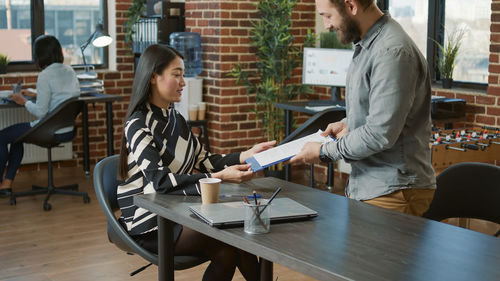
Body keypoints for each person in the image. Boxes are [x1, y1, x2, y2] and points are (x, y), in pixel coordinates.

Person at [118, 44, 275, 281]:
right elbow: (160, 182)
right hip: (149, 221)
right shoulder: (138, 124)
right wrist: (219, 178)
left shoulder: (176, 119)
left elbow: (205, 160)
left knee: (227, 252)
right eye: (177, 75)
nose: (183, 82)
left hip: (175, 211)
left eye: (184, 75)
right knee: (233, 233)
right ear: (153, 77)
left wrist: (246, 155)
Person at [291, 0, 436, 216]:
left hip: (394, 191)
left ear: (351, 6)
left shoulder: (391, 52)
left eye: (328, 16)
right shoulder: (368, 45)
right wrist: (348, 123)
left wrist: (323, 152)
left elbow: (380, 134)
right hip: (374, 186)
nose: (327, 25)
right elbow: (378, 110)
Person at [0, 35, 80, 196]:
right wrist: (35, 93)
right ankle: (6, 185)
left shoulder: (45, 75)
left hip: (48, 130)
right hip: (68, 130)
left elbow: (41, 112)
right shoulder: (70, 71)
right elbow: (63, 97)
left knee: (2, 137)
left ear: (39, 55)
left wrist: (24, 101)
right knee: (17, 140)